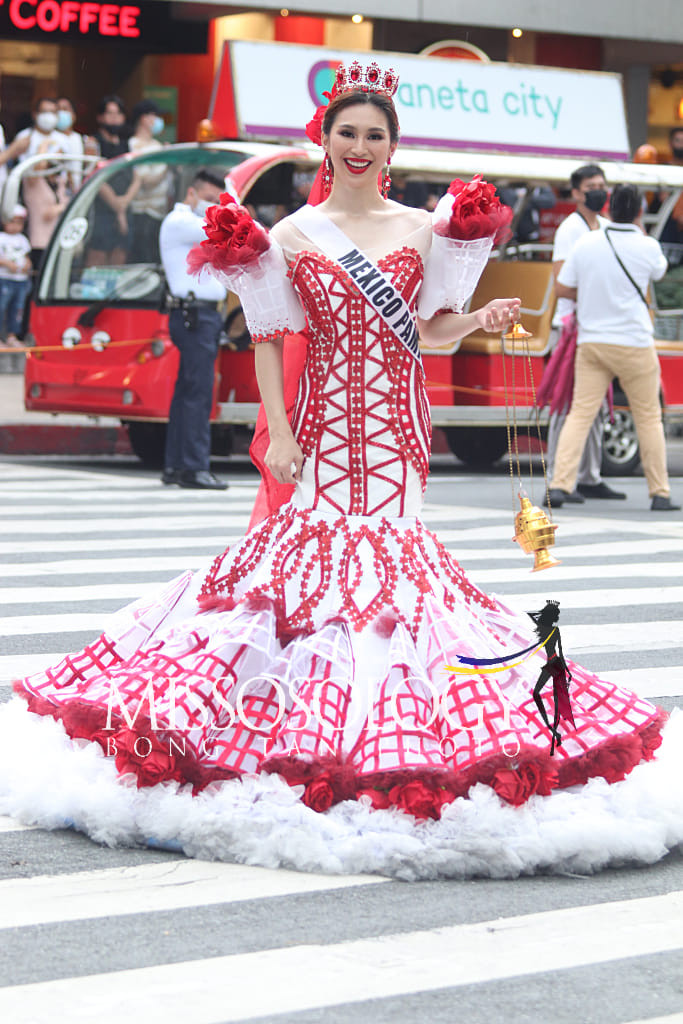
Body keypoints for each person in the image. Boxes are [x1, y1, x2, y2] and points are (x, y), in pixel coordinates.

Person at [1, 63, 676, 879]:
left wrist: (476, 318)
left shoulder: (426, 229)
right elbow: (268, 344)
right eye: (347, 133)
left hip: (397, 434)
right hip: (321, 432)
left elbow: (428, 335)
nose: (359, 147)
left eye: (375, 135)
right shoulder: (288, 237)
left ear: (393, 147)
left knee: (395, 583)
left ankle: (381, 726)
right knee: (305, 576)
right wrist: (277, 428)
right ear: (324, 140)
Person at [549, 184, 680, 511]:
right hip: (635, 342)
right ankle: (659, 492)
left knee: (580, 414)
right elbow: (659, 272)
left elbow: (563, 286)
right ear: (638, 211)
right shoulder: (647, 245)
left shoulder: (586, 243)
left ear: (608, 206)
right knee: (648, 417)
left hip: (592, 341)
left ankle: (559, 485)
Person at [542, 164, 625, 507]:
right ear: (576, 192)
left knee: (593, 403)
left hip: (601, 326)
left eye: (602, 185)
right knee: (566, 402)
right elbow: (562, 283)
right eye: (592, 186)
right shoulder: (569, 230)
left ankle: (590, 476)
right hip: (573, 326)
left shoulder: (607, 227)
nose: (599, 191)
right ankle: (557, 478)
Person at [159, 169, 228, 490]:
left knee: (188, 392)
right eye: (210, 199)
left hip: (201, 316)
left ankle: (176, 465)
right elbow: (229, 229)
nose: (214, 206)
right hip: (195, 316)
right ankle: (194, 467)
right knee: (198, 393)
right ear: (191, 194)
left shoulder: (193, 226)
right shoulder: (180, 222)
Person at [87, 96, 139, 267]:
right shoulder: (93, 143)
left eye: (118, 113)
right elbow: (95, 176)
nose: (114, 118)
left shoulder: (127, 145)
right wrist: (118, 208)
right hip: (102, 210)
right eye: (109, 113)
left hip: (125, 207)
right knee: (97, 259)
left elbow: (137, 177)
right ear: (100, 117)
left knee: (119, 259)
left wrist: (123, 206)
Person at [127, 100, 169, 263]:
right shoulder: (133, 145)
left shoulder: (157, 145)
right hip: (143, 213)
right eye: (154, 116)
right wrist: (167, 164)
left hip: (159, 212)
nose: (158, 121)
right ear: (143, 119)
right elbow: (145, 181)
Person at [0, 203, 31, 348]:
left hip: (20, 280)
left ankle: (12, 335)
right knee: (2, 307)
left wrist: (27, 265)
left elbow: (26, 256)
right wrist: (7, 264)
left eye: (19, 222)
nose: (15, 226)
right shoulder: (2, 238)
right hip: (4, 279)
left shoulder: (23, 240)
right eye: (11, 221)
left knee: (17, 308)